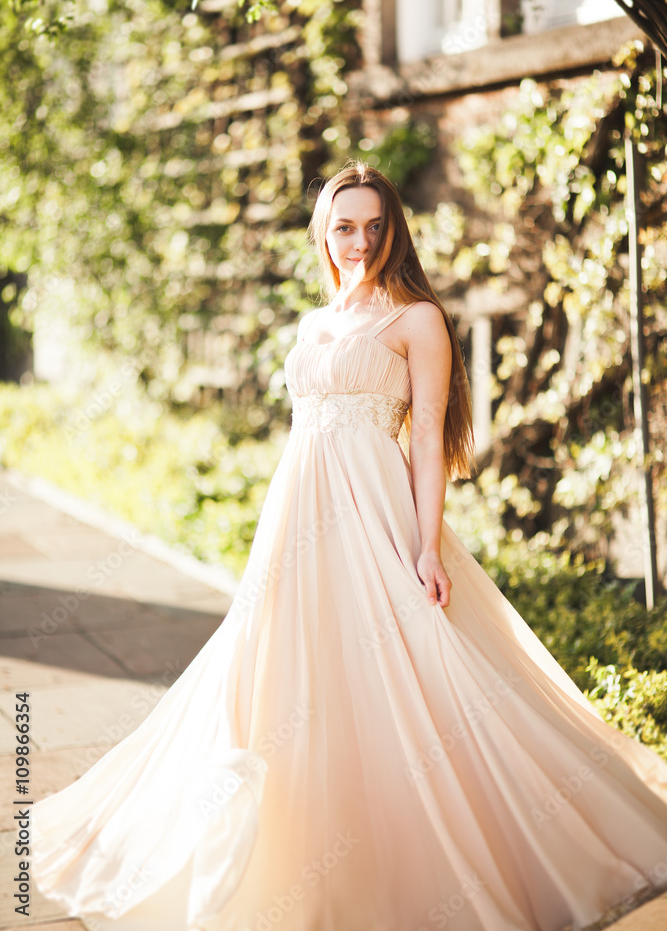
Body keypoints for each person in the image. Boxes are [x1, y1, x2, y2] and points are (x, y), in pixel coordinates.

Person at [31, 162, 667, 931]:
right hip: (296, 514)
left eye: (373, 225)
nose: (359, 240)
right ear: (322, 234)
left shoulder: (414, 319)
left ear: (392, 230)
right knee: (279, 669)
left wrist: (426, 546)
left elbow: (427, 436)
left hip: (375, 514)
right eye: (343, 225)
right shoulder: (314, 321)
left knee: (414, 672)